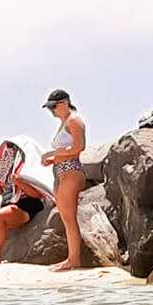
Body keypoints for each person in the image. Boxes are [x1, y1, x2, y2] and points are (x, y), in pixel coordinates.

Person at [0, 140, 54, 262]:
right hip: (11, 203)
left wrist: (19, 182)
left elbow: (38, 195)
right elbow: (8, 192)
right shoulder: (9, 170)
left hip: (28, 204)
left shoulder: (29, 169)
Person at [41, 89, 89, 271]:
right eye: (49, 108)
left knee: (69, 218)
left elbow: (79, 146)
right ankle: (71, 258)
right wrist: (52, 159)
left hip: (71, 171)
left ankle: (74, 260)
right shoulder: (64, 123)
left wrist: (54, 154)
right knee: (65, 217)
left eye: (53, 106)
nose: (52, 111)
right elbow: (67, 149)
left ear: (65, 102)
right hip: (60, 172)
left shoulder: (74, 120)